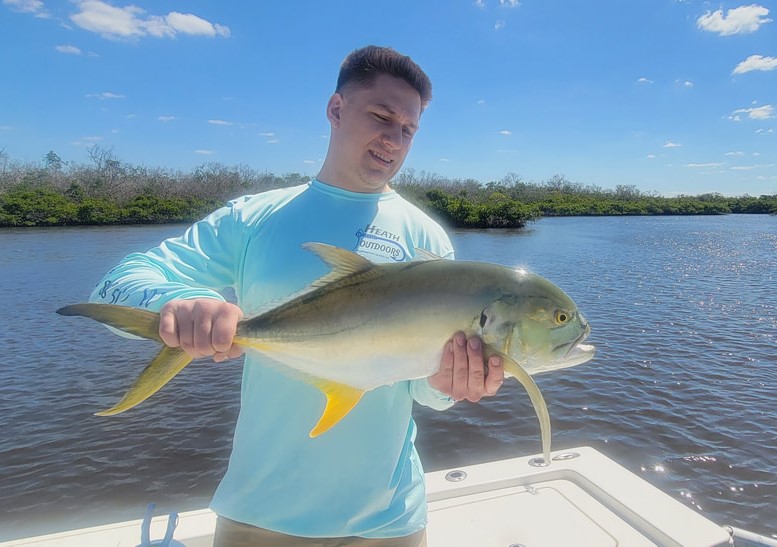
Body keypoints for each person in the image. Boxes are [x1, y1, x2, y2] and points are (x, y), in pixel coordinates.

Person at [89, 45, 504, 547]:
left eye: (409, 129)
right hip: (260, 515)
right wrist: (175, 304)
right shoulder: (253, 218)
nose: (393, 139)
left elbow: (424, 391)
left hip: (392, 519)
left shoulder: (428, 240)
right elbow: (117, 281)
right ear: (335, 109)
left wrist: (450, 381)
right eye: (381, 116)